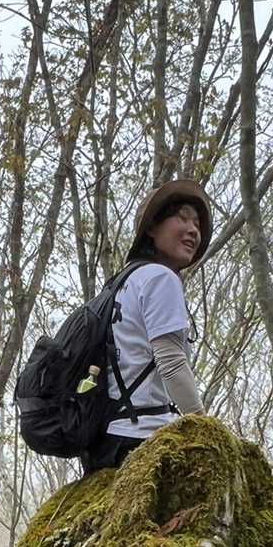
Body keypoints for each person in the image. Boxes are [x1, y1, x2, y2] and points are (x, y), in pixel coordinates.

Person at [80, 179, 212, 474]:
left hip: (108, 439)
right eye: (183, 218)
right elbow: (172, 362)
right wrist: (205, 428)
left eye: (197, 224)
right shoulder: (161, 278)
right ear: (152, 228)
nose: (193, 230)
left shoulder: (122, 283)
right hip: (142, 435)